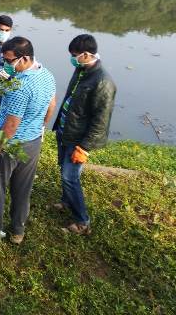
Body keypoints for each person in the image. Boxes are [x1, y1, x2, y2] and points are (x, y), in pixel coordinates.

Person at [0, 36, 56, 245]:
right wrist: (41, 127)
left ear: (23, 59)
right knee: (23, 188)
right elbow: (51, 104)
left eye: (9, 60)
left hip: (11, 145)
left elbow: (12, 125)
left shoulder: (20, 86)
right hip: (33, 142)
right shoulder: (47, 75)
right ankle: (17, 231)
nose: (6, 64)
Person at [52, 34, 116, 235]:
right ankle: (66, 201)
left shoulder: (103, 82)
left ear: (87, 54)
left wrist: (84, 148)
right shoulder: (81, 69)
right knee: (64, 168)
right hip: (66, 131)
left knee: (70, 177)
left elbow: (101, 120)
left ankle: (82, 222)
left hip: (78, 139)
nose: (72, 58)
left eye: (75, 55)